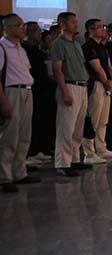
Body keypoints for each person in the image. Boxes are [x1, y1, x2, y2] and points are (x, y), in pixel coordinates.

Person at [0, 14, 39, 192]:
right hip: (12, 92)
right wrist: (3, 101)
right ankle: (5, 176)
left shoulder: (20, 49)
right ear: (7, 28)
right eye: (18, 25)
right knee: (9, 136)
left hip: (26, 91)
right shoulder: (2, 47)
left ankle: (19, 172)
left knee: (24, 135)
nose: (23, 28)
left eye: (23, 25)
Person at [51, 12, 91, 177]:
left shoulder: (76, 44)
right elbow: (57, 70)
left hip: (82, 86)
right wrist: (65, 91)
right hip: (69, 85)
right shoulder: (58, 44)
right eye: (72, 22)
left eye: (76, 21)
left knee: (77, 128)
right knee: (66, 127)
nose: (76, 24)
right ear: (63, 24)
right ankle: (63, 163)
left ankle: (74, 159)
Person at [81, 19, 112, 164]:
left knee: (103, 120)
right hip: (96, 84)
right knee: (93, 119)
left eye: (103, 27)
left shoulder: (102, 46)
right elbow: (97, 68)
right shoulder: (89, 46)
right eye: (99, 27)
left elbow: (108, 66)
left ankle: (101, 148)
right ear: (91, 30)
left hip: (106, 85)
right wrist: (107, 82)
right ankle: (89, 153)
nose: (103, 29)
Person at [22, 22, 54, 161]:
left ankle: (40, 148)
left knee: (42, 120)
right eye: (36, 31)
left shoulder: (37, 51)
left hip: (43, 89)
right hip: (32, 89)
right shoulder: (24, 49)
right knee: (32, 122)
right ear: (28, 32)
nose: (39, 33)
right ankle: (31, 152)